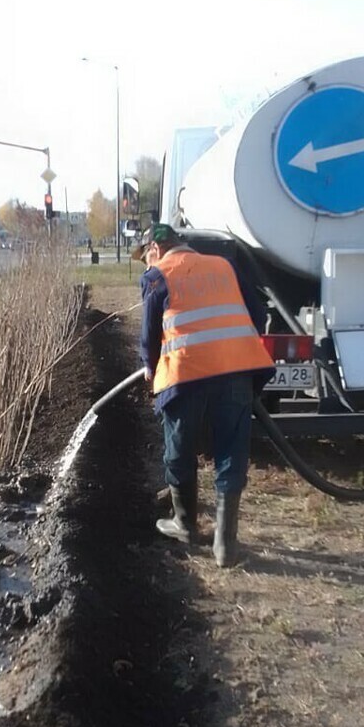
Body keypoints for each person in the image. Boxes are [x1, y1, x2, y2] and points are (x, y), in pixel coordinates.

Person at [135, 223, 275, 567]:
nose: (146, 263)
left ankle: (185, 525)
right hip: (236, 370)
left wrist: (151, 369)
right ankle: (225, 546)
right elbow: (258, 314)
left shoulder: (157, 274)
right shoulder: (223, 266)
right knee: (232, 448)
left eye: (145, 257)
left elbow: (149, 335)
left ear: (155, 248)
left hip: (187, 374)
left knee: (180, 448)